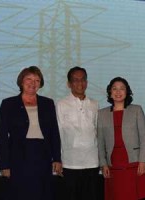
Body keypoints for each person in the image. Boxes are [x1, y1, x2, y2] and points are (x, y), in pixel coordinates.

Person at [0, 66, 62, 200]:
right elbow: (2, 136)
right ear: (21, 81)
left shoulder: (48, 103)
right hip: (18, 158)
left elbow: (54, 133)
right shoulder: (8, 104)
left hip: (42, 156)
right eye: (29, 79)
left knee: (43, 193)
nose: (33, 83)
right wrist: (4, 165)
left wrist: (57, 158)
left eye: (37, 80)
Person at [98, 77, 145, 200]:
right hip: (113, 165)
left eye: (122, 88)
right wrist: (103, 164)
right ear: (110, 93)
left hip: (134, 164)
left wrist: (143, 161)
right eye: (114, 89)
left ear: (127, 92)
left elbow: (144, 137)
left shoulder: (136, 110)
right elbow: (100, 142)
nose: (118, 92)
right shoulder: (102, 114)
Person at [56, 66, 99, 200]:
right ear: (69, 84)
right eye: (75, 80)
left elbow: (97, 131)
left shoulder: (94, 103)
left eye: (83, 79)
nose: (80, 83)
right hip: (70, 163)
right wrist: (58, 159)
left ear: (86, 82)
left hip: (92, 162)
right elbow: (58, 132)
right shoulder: (61, 104)